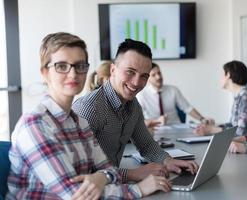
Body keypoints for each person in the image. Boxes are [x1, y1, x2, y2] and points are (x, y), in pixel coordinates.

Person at [6, 32, 172, 199]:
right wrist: (139, 189)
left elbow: (107, 169)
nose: (73, 74)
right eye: (61, 66)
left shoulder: (79, 122)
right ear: (44, 72)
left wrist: (103, 176)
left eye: (80, 66)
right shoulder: (35, 126)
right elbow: (76, 195)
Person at [73, 39, 198, 182]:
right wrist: (132, 174)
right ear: (113, 70)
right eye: (130, 72)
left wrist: (168, 161)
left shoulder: (133, 104)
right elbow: (82, 173)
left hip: (113, 184)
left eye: (144, 76)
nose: (137, 82)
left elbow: (146, 145)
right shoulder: (89, 108)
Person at [194, 60, 247, 136]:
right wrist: (213, 127)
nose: (220, 79)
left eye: (222, 75)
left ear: (228, 74)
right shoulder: (241, 94)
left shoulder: (246, 95)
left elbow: (240, 132)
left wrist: (212, 130)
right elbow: (233, 125)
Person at [136, 62, 213, 125]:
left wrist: (202, 119)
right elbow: (138, 121)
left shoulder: (173, 90)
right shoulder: (141, 95)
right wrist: (156, 122)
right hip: (154, 130)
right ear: (147, 79)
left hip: (176, 127)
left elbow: (187, 108)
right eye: (153, 75)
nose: (158, 77)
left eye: (159, 73)